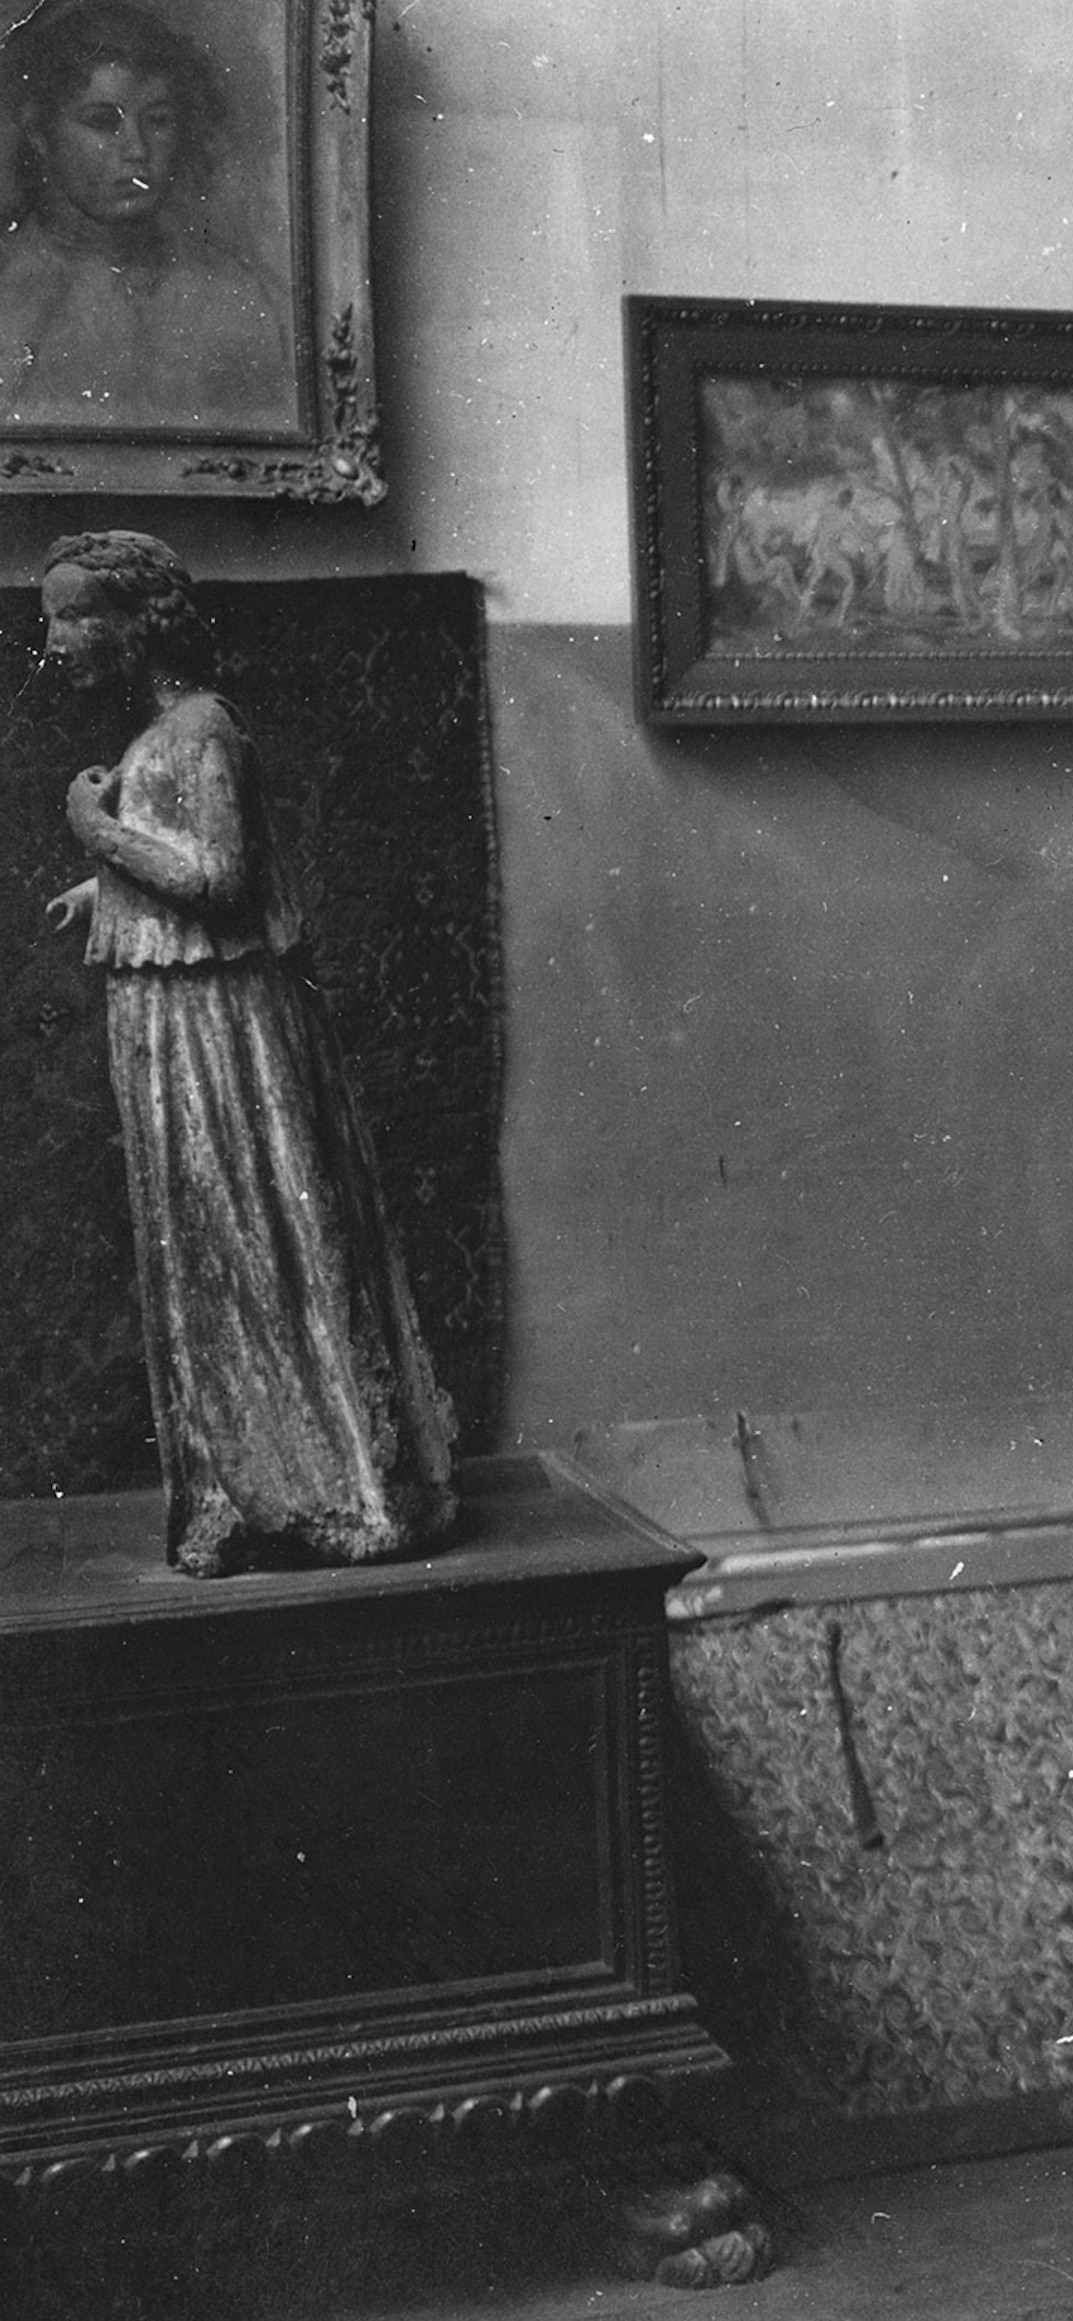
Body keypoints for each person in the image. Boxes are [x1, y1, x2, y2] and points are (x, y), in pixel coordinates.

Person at [40, 530, 454, 1576]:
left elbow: (223, 877)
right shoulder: (167, 733)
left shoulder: (201, 727)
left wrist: (100, 835)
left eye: (74, 616)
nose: (55, 640)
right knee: (212, 1253)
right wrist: (112, 884)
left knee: (254, 1241)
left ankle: (328, 1482)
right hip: (177, 1015)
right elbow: (202, 863)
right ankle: (248, 1484)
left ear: (139, 624)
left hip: (216, 1027)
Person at [0, 0, 287, 429]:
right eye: (102, 121)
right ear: (40, 133)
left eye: (158, 121)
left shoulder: (235, 291)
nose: (136, 150)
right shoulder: (8, 282)